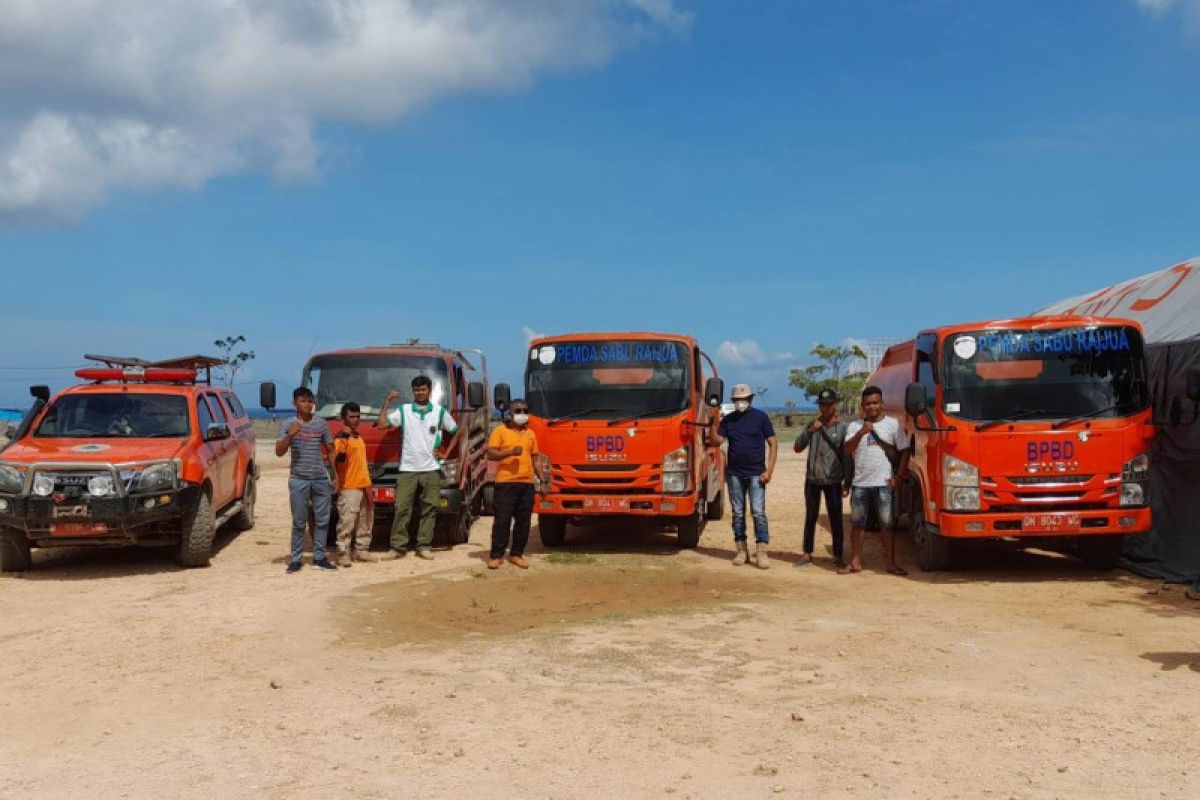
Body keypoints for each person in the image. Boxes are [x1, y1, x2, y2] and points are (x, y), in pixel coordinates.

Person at [377, 375, 458, 560]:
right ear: (412, 391)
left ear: (429, 390)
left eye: (423, 389)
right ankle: (397, 547)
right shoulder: (404, 411)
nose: (420, 392)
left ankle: (424, 546)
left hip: (431, 469)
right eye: (416, 389)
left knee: (429, 508)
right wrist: (387, 401)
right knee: (401, 508)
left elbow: (455, 430)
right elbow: (382, 425)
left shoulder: (439, 411)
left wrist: (446, 452)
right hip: (407, 469)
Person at [843, 385, 910, 576]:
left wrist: (899, 477)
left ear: (882, 403)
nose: (872, 406)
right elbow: (847, 450)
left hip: (884, 483)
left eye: (875, 402)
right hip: (860, 484)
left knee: (887, 525)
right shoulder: (854, 426)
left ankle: (891, 563)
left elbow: (905, 451)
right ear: (863, 406)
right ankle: (855, 562)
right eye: (868, 404)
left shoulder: (893, 424)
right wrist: (860, 433)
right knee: (858, 525)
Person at [709, 383, 777, 569]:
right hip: (734, 475)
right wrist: (711, 425)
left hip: (757, 474)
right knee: (738, 514)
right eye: (737, 400)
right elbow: (717, 441)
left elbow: (773, 443)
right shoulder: (729, 420)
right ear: (733, 401)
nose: (741, 403)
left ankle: (761, 552)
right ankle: (741, 550)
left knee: (758, 513)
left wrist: (769, 470)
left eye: (744, 400)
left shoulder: (761, 418)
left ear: (750, 399)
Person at [275, 387, 339, 573]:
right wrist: (290, 435)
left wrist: (335, 474)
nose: (307, 404)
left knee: (322, 520)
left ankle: (319, 557)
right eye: (303, 401)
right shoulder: (288, 424)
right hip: (298, 479)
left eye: (310, 401)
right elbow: (279, 452)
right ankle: (296, 559)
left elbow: (330, 448)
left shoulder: (320, 423)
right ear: (294, 403)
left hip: (320, 478)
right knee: (299, 521)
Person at [485, 398, 544, 570]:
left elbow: (535, 458)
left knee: (523, 522)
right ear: (510, 414)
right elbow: (491, 454)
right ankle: (496, 555)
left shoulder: (530, 434)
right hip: (506, 483)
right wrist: (510, 452)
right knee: (502, 521)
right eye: (518, 411)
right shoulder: (500, 431)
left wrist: (542, 479)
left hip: (526, 483)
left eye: (525, 411)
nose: (522, 414)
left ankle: (516, 554)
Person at [793, 388, 849, 569]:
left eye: (828, 404)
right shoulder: (812, 424)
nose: (825, 408)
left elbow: (848, 456)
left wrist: (847, 481)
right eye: (822, 404)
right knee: (810, 517)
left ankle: (838, 555)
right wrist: (810, 431)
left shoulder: (842, 428)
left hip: (833, 481)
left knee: (836, 519)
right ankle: (807, 553)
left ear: (835, 405)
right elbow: (797, 447)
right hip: (812, 480)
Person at [331, 402, 375, 566]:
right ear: (344, 418)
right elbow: (336, 459)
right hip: (349, 486)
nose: (355, 420)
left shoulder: (358, 437)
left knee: (365, 520)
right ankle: (343, 553)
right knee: (347, 521)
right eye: (352, 417)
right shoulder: (341, 438)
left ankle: (361, 550)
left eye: (357, 417)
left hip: (364, 484)